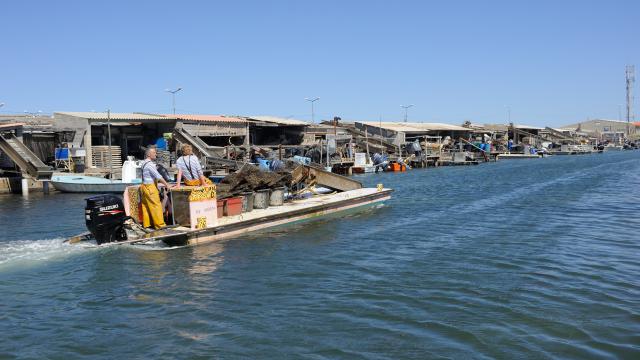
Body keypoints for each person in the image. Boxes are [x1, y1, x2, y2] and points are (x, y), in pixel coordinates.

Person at [140, 147, 169, 229]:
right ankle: (160, 225)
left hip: (144, 186)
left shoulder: (144, 163)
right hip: (150, 187)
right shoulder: (150, 164)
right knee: (156, 206)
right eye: (154, 152)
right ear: (149, 154)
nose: (156, 154)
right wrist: (167, 185)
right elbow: (158, 176)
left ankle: (148, 224)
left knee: (146, 206)